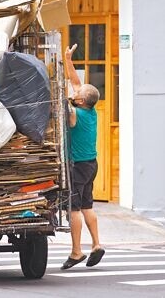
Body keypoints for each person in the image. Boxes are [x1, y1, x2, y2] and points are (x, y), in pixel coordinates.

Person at [61, 43, 105, 270]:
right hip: (91, 164)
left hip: (77, 166)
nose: (75, 91)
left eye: (77, 94)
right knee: (88, 205)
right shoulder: (90, 108)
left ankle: (77, 251)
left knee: (74, 209)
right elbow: (76, 84)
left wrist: (60, 94)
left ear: (79, 101)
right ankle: (96, 245)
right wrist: (68, 60)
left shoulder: (74, 114)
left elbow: (64, 104)